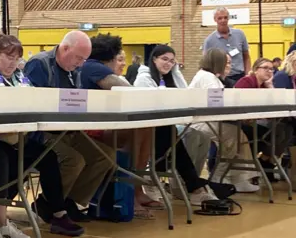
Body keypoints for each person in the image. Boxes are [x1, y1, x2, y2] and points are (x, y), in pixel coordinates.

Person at [0, 34, 84, 237]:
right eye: (8, 57)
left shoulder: (18, 75)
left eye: (16, 59)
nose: (13, 63)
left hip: (18, 136)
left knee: (47, 157)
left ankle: (58, 213)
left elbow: (33, 97)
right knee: (8, 161)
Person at [24, 31, 114, 220]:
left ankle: (69, 201)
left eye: (84, 59)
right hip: (41, 131)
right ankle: (49, 204)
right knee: (74, 160)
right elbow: (32, 103)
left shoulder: (76, 69)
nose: (81, 64)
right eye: (79, 58)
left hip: (68, 129)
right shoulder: (39, 64)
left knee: (105, 156)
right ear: (65, 48)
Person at [77, 33, 160, 218]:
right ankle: (132, 191)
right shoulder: (94, 67)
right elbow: (124, 90)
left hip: (96, 125)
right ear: (112, 57)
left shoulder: (90, 66)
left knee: (145, 128)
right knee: (139, 131)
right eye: (119, 58)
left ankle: (135, 190)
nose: (122, 63)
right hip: (89, 129)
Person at [133, 45, 219, 205]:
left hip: (170, 123)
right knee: (171, 135)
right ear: (154, 59)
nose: (168, 64)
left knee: (200, 133)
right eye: (164, 59)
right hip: (148, 127)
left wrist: (176, 71)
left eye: (172, 61)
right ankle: (188, 183)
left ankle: (188, 181)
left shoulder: (170, 77)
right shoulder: (143, 79)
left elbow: (184, 95)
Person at [188, 49, 259, 192]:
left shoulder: (209, 76)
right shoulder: (207, 77)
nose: (229, 66)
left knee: (239, 136)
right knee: (234, 137)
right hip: (198, 122)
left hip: (206, 119)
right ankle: (220, 176)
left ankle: (238, 178)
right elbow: (217, 105)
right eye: (226, 63)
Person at [234, 58, 293, 182]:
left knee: (286, 129)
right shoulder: (247, 81)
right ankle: (265, 162)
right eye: (265, 68)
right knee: (278, 130)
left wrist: (270, 85)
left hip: (257, 120)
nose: (269, 71)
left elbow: (277, 103)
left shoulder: (264, 85)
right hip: (241, 122)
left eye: (271, 69)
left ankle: (266, 160)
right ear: (255, 70)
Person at [202, 7, 251, 82]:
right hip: (221, 78)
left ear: (228, 18)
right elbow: (206, 63)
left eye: (225, 17)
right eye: (220, 18)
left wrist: (247, 75)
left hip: (240, 76)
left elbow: (246, 56)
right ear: (215, 19)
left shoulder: (240, 34)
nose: (223, 20)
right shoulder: (209, 41)